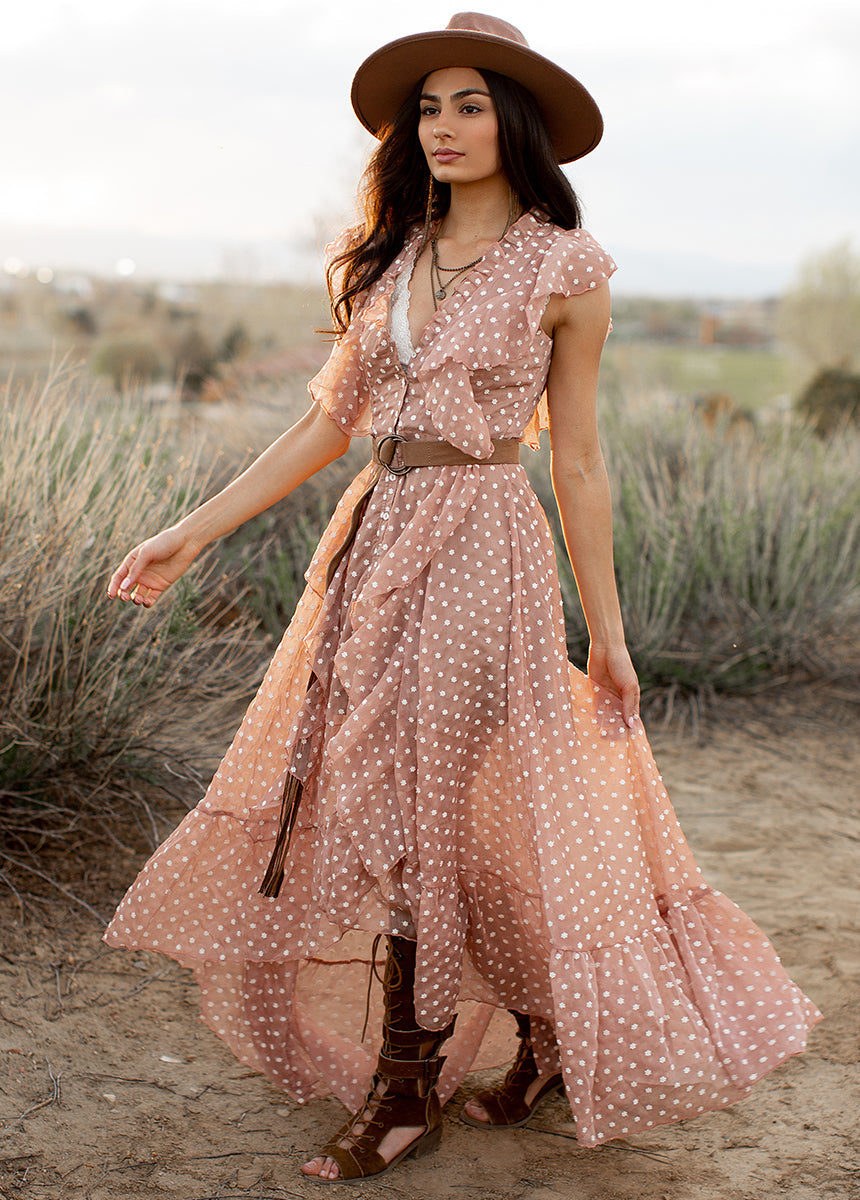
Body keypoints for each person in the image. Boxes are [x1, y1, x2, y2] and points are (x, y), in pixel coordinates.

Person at [104, 11, 821, 1185]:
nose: (442, 126)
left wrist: (609, 633)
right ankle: (529, 1033)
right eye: (427, 107)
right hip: (371, 548)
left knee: (425, 809)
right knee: (404, 803)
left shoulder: (562, 265)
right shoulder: (395, 252)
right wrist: (187, 532)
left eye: (469, 104)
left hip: (483, 549)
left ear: (516, 121)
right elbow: (322, 427)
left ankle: (404, 1084)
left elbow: (579, 460)